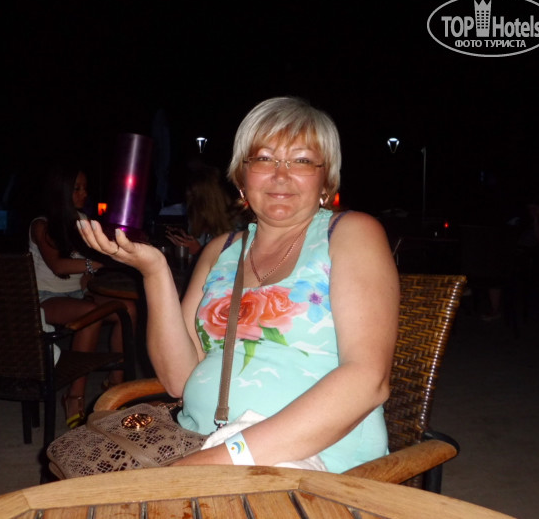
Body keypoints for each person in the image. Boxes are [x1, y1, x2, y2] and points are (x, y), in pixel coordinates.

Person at [78, 97, 399, 473]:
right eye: (264, 158)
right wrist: (154, 272)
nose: (281, 175)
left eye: (301, 160)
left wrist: (216, 460)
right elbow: (178, 380)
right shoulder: (220, 250)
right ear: (242, 175)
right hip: (199, 443)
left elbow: (368, 379)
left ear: (326, 178)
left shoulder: (350, 234)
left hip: (313, 460)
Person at [29, 161, 136, 428]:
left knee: (127, 309)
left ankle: (115, 384)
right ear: (61, 190)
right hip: (44, 297)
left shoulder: (83, 221)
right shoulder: (41, 225)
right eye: (77, 188)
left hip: (78, 294)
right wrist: (98, 263)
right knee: (91, 314)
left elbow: (87, 271)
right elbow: (58, 265)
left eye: (85, 188)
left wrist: (90, 281)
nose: (84, 193)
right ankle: (74, 395)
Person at [165, 164, 241, 258]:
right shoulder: (197, 224)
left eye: (193, 199)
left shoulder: (236, 227)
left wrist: (199, 251)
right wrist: (183, 240)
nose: (190, 205)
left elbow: (232, 263)